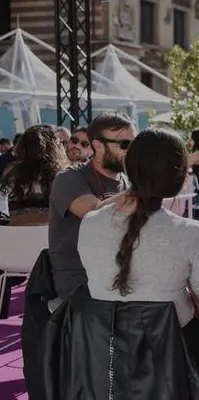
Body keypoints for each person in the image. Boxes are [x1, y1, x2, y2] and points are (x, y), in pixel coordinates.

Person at [79, 128, 199, 400]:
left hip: (107, 357)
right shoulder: (189, 232)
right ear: (179, 178)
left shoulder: (90, 224)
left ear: (129, 166)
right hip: (170, 357)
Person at [48, 113, 135, 299]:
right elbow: (94, 213)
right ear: (97, 145)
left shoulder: (128, 183)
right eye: (125, 145)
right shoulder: (68, 178)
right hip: (81, 279)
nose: (131, 151)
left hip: (120, 273)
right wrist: (145, 189)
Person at [0, 124, 68, 225]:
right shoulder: (61, 177)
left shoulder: (12, 175)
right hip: (50, 237)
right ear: (53, 148)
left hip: (17, 236)